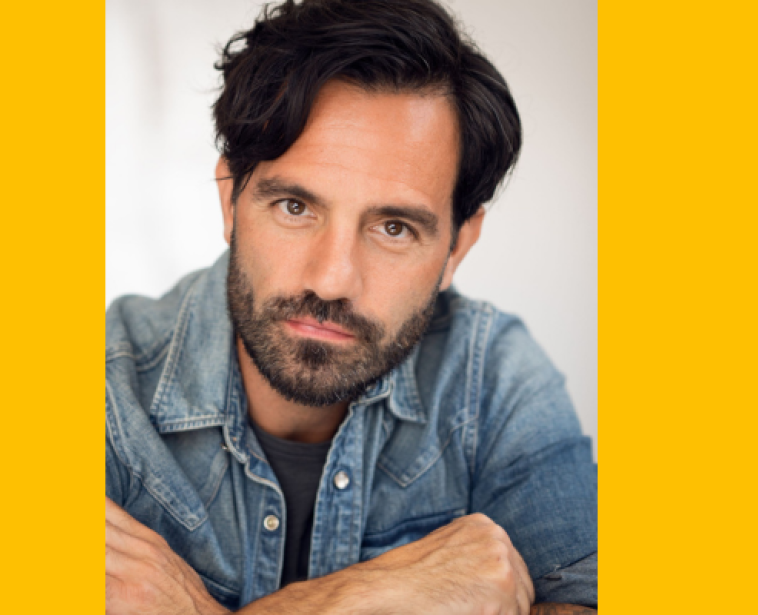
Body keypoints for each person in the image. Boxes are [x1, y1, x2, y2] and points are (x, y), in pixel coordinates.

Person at [105, 0, 597, 613]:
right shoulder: (106, 387)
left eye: (393, 227)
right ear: (231, 201)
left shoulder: (492, 377)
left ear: (456, 246)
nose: (333, 280)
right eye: (295, 207)